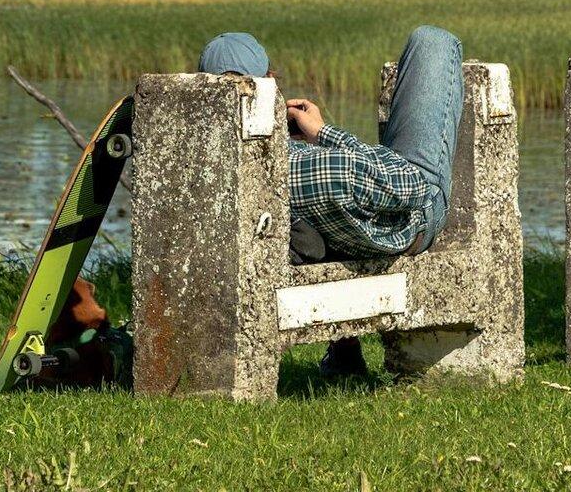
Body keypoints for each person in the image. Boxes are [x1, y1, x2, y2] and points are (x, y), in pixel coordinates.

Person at [197, 27, 464, 377]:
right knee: (431, 41)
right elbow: (412, 185)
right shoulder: (316, 166)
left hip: (332, 237)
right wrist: (323, 133)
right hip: (412, 221)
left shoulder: (212, 174)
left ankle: (346, 350)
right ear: (271, 85)